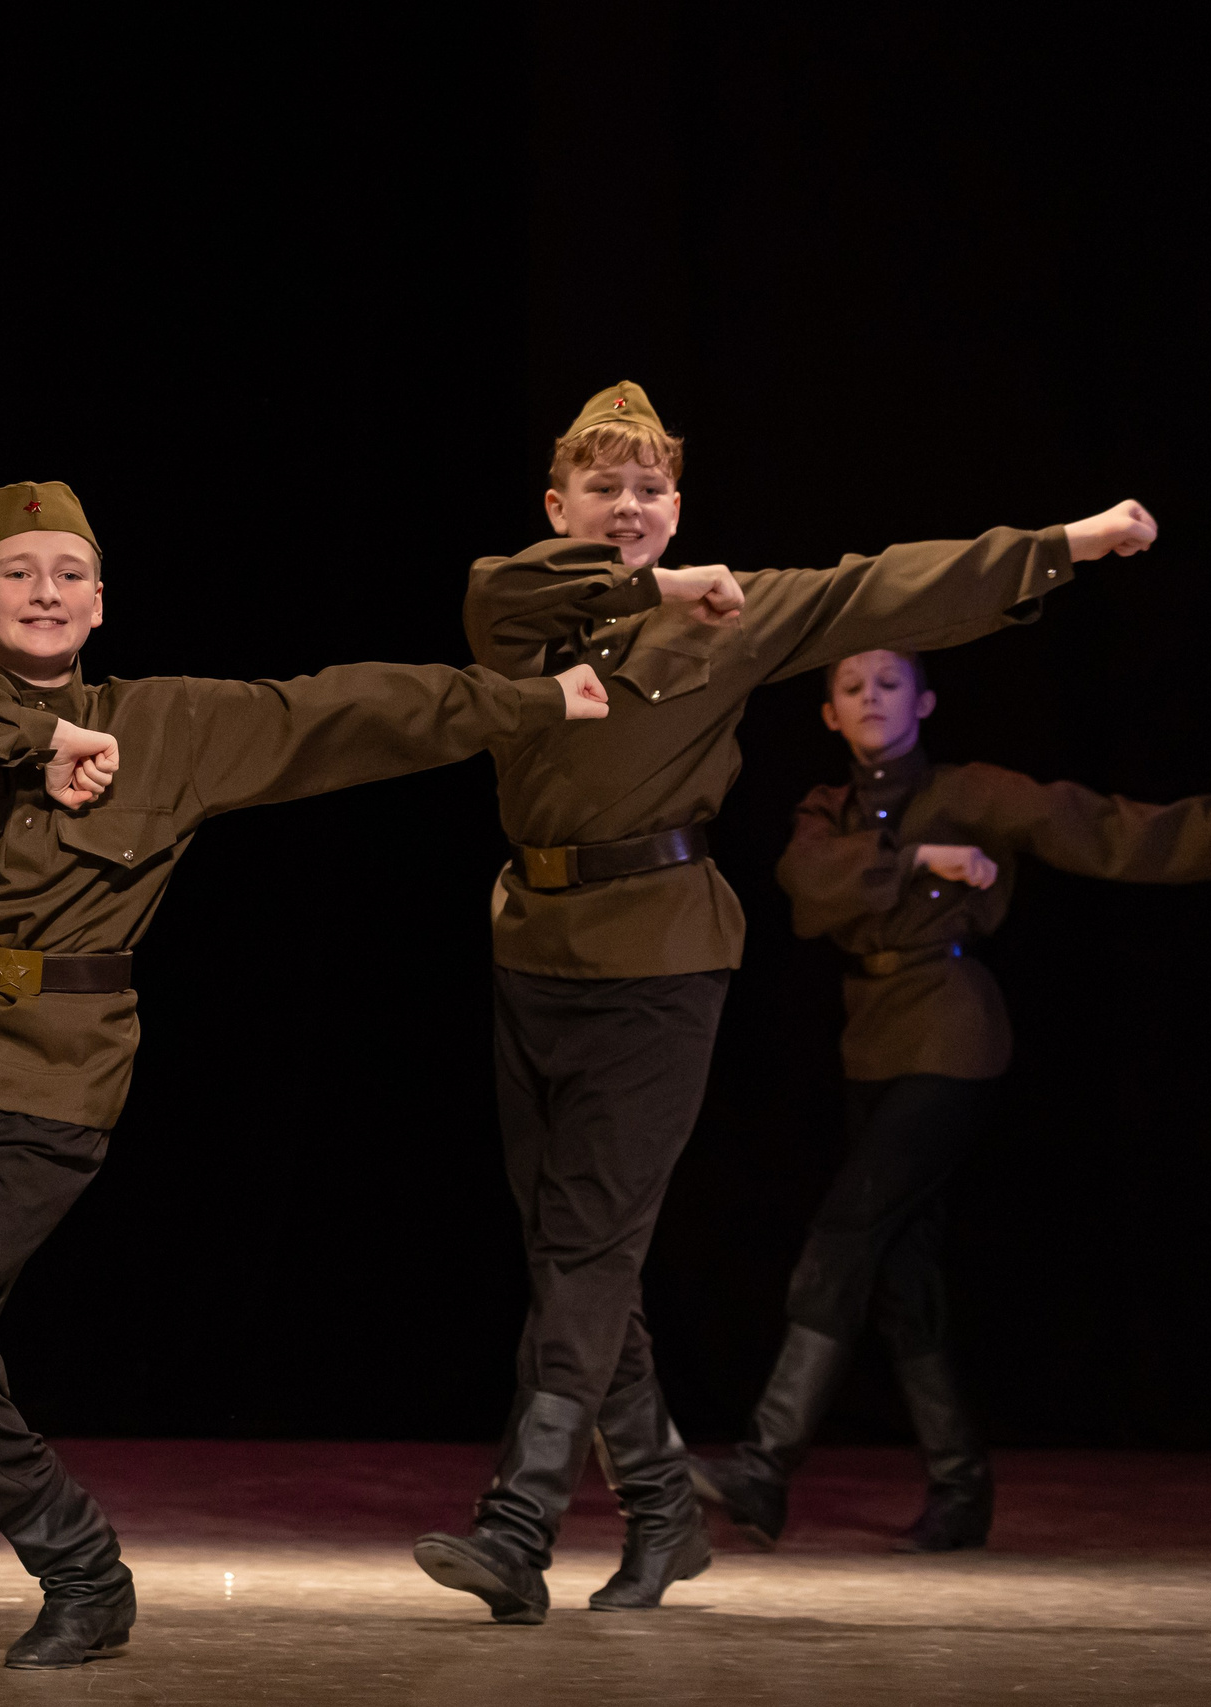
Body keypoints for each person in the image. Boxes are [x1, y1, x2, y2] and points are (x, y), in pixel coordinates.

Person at [0, 479, 610, 1682]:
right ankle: (82, 1569)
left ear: (101, 602)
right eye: (18, 573)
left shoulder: (168, 724)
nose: (44, 591)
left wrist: (537, 699)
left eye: (68, 573)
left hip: (60, 1080)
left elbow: (354, 708)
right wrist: (45, 738)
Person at [411, 380, 1164, 1626]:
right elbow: (498, 591)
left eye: (652, 490)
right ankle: (661, 1513)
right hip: (532, 950)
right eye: (606, 487)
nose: (632, 506)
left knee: (590, 1246)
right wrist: (656, 581)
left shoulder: (733, 617)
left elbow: (885, 586)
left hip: (658, 958)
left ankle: (519, 1521)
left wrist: (1067, 544)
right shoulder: (527, 607)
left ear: (679, 505)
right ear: (559, 504)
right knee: (572, 1253)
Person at [690, 647, 1211, 1553]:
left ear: (924, 700)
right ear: (830, 717)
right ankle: (961, 1490)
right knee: (900, 1272)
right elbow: (806, 887)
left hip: (951, 1031)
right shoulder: (827, 808)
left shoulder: (970, 788)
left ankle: (765, 1466)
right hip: (871, 1040)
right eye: (852, 688)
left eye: (889, 683)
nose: (872, 697)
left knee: (845, 1233)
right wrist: (918, 854)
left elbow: (1087, 823)